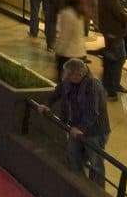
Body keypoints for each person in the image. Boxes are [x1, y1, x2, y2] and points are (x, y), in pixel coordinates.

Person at [46, 57, 110, 186]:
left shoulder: (92, 85)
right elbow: (58, 91)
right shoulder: (69, 82)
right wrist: (47, 104)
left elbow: (93, 112)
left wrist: (81, 128)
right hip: (77, 127)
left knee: (95, 162)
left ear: (79, 74)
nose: (67, 77)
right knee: (73, 154)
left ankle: (96, 190)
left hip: (95, 131)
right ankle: (78, 183)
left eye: (70, 75)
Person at [95, 0, 127, 99]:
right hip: (114, 33)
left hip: (110, 31)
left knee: (117, 58)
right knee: (116, 59)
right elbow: (119, 13)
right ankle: (112, 87)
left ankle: (114, 84)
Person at [52, 0, 87, 81]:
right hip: (80, 52)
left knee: (62, 78)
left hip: (68, 52)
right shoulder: (78, 13)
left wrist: (58, 49)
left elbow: (65, 35)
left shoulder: (66, 14)